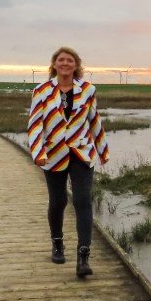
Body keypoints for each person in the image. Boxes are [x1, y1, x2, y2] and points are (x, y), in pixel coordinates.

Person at [27, 46, 109, 277]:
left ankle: (83, 257)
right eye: (61, 60)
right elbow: (35, 125)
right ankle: (57, 244)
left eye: (70, 60)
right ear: (54, 64)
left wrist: (102, 150)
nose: (65, 63)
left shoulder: (88, 90)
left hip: (81, 152)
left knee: (83, 200)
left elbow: (94, 120)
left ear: (76, 65)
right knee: (59, 200)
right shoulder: (41, 91)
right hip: (53, 153)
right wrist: (37, 151)